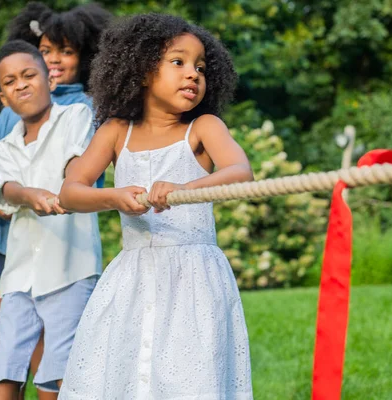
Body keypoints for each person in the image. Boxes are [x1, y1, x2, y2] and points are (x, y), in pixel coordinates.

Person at [58, 14, 255, 399]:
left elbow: (240, 172)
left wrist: (187, 187)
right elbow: (70, 192)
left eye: (200, 66)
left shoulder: (203, 127)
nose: (193, 74)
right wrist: (113, 196)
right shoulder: (116, 131)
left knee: (187, 372)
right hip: (133, 275)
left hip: (192, 277)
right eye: (178, 62)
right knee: (126, 369)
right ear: (143, 71)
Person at [0, 2, 111, 341]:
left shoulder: (84, 109)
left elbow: (81, 172)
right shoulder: (12, 106)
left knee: (54, 332)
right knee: (6, 324)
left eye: (66, 51)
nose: (54, 59)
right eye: (46, 50)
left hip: (54, 237)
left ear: (86, 56)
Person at [0, 40, 102, 399]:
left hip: (71, 267)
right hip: (19, 274)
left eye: (28, 75)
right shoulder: (5, 146)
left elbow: (77, 164)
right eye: (10, 82)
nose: (21, 84)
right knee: (5, 367)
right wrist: (31, 195)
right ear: (3, 98)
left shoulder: (76, 116)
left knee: (58, 375)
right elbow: (7, 189)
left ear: (49, 80)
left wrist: (69, 188)